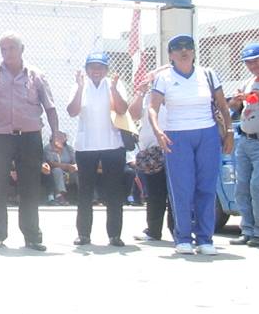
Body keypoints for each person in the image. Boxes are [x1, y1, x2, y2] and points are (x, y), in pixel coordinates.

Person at [148, 34, 234, 256]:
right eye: (178, 48)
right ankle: (183, 237)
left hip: (207, 134)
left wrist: (229, 133)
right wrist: (158, 131)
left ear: (194, 52)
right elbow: (152, 108)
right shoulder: (164, 78)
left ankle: (205, 239)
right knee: (182, 188)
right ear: (171, 55)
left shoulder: (208, 74)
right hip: (177, 135)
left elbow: (223, 106)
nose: (184, 51)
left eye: (188, 47)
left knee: (206, 187)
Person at [0, 32, 62, 251]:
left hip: (29, 137)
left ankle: (32, 236)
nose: (7, 53)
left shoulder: (37, 75)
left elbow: (50, 107)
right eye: (3, 49)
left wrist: (56, 133)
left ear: (22, 49)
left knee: (30, 186)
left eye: (11, 48)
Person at [66, 52, 129, 246]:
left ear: (106, 69)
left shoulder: (114, 84)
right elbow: (72, 111)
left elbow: (122, 109)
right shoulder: (80, 85)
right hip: (86, 146)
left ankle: (114, 235)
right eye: (92, 67)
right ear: (86, 69)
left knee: (114, 192)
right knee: (85, 192)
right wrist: (79, 87)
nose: (96, 71)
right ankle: (83, 234)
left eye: (100, 67)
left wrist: (114, 90)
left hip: (112, 145)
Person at [130, 67, 174, 241]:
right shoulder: (148, 96)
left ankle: (178, 231)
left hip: (174, 148)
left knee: (175, 193)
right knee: (154, 193)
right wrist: (140, 93)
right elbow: (133, 115)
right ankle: (153, 231)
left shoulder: (176, 94)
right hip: (152, 151)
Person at [228, 43, 259, 246]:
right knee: (242, 186)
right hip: (245, 140)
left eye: (255, 61)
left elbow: (257, 98)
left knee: (257, 186)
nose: (252, 66)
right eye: (248, 63)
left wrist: (250, 96)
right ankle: (247, 229)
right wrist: (236, 100)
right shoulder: (249, 82)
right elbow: (235, 106)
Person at [43, 132, 77, 205]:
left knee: (79, 172)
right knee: (57, 170)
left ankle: (89, 196)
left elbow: (75, 162)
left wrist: (74, 167)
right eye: (58, 137)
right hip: (54, 172)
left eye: (62, 137)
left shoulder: (69, 148)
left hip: (69, 172)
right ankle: (60, 196)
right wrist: (66, 166)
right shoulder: (48, 148)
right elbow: (51, 163)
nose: (61, 139)